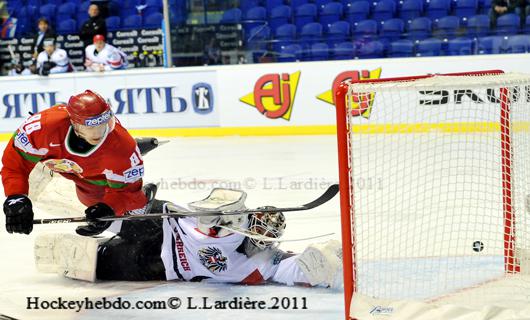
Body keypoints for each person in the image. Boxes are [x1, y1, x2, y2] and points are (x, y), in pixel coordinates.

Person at [34, 187, 343, 287]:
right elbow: (206, 205)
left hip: (161, 265)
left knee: (93, 262)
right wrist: (114, 223)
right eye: (259, 223)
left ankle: (97, 242)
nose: (259, 232)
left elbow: (302, 268)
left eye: (265, 232)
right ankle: (70, 194)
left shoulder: (265, 261)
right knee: (116, 214)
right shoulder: (229, 216)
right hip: (166, 226)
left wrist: (325, 262)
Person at [1, 90, 148, 236]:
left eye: (103, 124)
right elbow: (15, 164)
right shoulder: (42, 127)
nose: (100, 133)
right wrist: (16, 197)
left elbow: (127, 192)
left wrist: (108, 208)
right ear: (74, 124)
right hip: (52, 162)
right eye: (91, 127)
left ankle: (138, 187)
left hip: (95, 177)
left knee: (117, 210)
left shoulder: (122, 148)